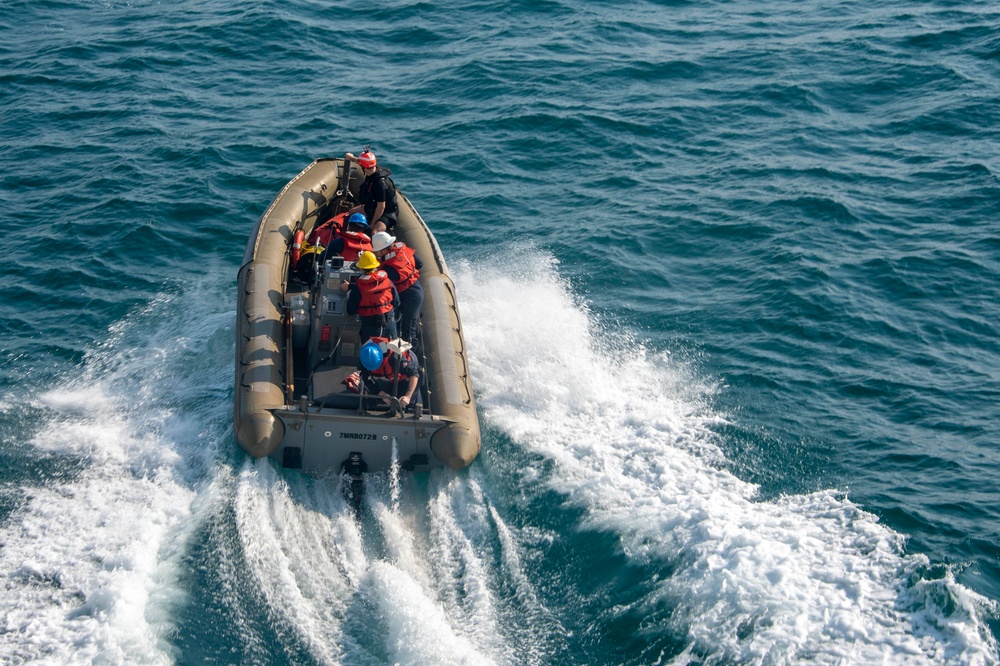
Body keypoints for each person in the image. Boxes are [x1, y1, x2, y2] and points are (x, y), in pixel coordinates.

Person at [371, 231, 423, 352]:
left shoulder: (388, 268)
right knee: (405, 324)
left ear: (383, 250)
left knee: (408, 330)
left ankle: (412, 361)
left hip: (410, 296)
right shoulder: (402, 251)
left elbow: (380, 282)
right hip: (415, 287)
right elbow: (420, 263)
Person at [343, 250, 399, 341]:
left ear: (361, 268)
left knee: (371, 352)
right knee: (391, 350)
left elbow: (350, 311)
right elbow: (396, 302)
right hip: (389, 322)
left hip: (370, 327)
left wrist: (349, 290)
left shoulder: (358, 288)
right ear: (375, 266)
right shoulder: (388, 281)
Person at [344, 150, 399, 235]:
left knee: (374, 232)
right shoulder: (372, 170)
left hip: (387, 213)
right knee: (351, 212)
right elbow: (362, 162)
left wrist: (373, 223)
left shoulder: (379, 184)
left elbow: (381, 207)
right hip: (371, 207)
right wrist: (351, 158)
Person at [359, 337, 421, 411]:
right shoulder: (365, 357)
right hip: (389, 376)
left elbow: (414, 374)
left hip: (408, 368)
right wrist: (382, 394)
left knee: (407, 401)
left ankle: (410, 408)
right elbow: (366, 378)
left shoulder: (394, 358)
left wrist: (408, 396)